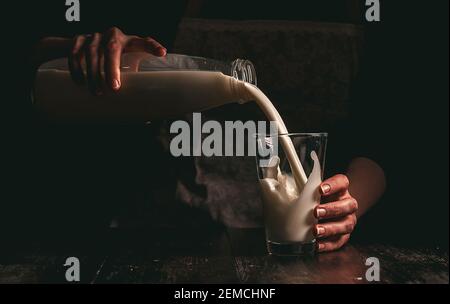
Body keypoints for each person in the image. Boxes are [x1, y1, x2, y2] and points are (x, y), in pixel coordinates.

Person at [31, 23, 386, 252]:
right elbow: (37, 51)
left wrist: (344, 204)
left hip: (296, 241)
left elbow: (383, 141)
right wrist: (86, 51)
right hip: (161, 232)